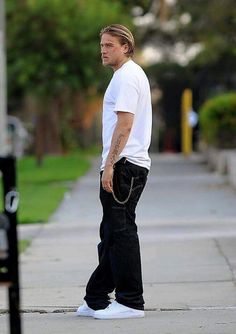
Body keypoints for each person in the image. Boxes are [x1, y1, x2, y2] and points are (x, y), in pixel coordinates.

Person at [76, 24, 152, 320]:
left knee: (121, 233)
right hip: (123, 164)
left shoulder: (127, 77)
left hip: (124, 166)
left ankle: (131, 301)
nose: (103, 50)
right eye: (102, 45)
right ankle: (96, 297)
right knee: (110, 233)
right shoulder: (125, 76)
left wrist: (109, 165)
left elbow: (125, 125)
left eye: (110, 45)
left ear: (126, 47)